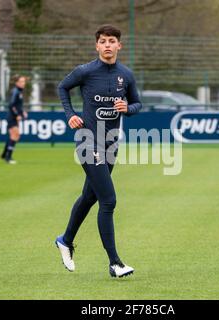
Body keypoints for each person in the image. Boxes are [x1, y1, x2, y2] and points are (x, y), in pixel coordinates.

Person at [55, 25, 142, 278]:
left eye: (111, 41)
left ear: (119, 46)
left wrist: (128, 107)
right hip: (87, 141)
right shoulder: (85, 71)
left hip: (111, 144)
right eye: (102, 41)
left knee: (90, 197)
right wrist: (70, 115)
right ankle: (115, 263)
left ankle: (65, 240)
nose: (107, 45)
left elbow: (138, 103)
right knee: (109, 200)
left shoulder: (126, 75)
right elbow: (62, 87)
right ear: (96, 46)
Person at [1, 75, 28, 164]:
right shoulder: (15, 91)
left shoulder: (19, 91)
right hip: (11, 117)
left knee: (14, 135)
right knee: (15, 135)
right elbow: (11, 105)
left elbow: (17, 105)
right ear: (17, 83)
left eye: (24, 81)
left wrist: (22, 112)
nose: (23, 83)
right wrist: (17, 115)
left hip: (13, 116)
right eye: (21, 81)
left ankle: (4, 154)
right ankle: (8, 157)